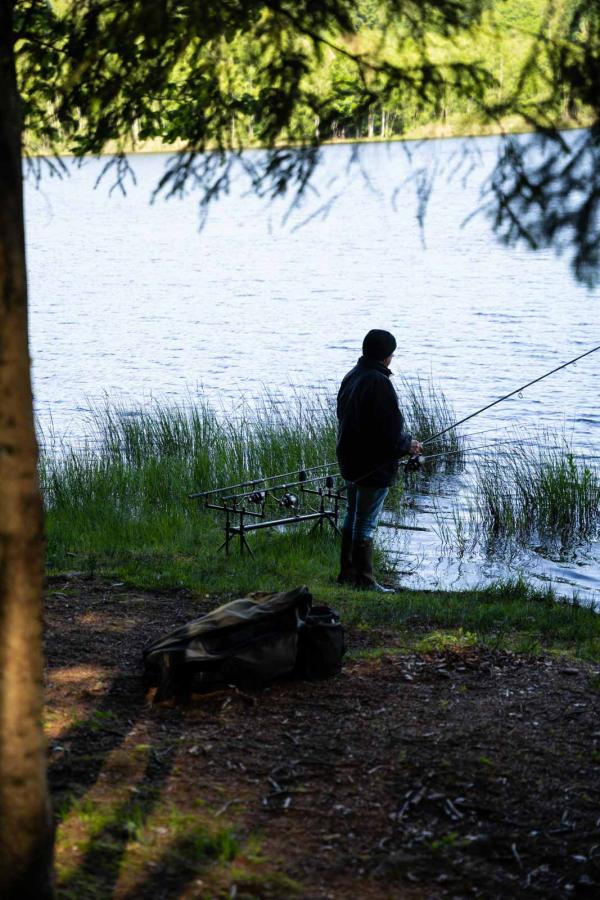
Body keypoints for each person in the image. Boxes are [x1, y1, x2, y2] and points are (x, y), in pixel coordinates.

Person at [336, 329, 422, 592]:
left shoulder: (352, 375)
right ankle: (365, 580)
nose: (392, 358)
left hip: (350, 462)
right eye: (392, 353)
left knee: (352, 515)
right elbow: (387, 432)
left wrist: (403, 442)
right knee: (366, 521)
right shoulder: (379, 382)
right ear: (386, 356)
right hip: (372, 466)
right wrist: (409, 445)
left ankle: (347, 573)